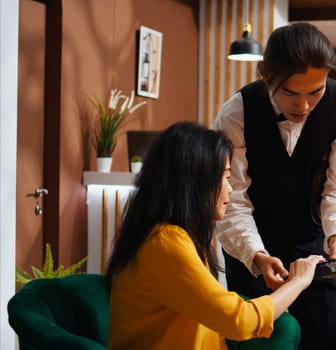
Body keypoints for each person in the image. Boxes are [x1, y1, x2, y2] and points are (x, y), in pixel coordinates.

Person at [213, 22, 336, 350]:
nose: (304, 106)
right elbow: (233, 197)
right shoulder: (236, 113)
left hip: (315, 253)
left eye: (316, 92)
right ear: (268, 76)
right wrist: (255, 256)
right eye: (291, 93)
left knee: (320, 340)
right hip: (251, 250)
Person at [106, 122, 323, 350]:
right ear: (195, 182)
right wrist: (299, 281)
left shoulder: (175, 237)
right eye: (225, 177)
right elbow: (239, 321)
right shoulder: (165, 242)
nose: (230, 189)